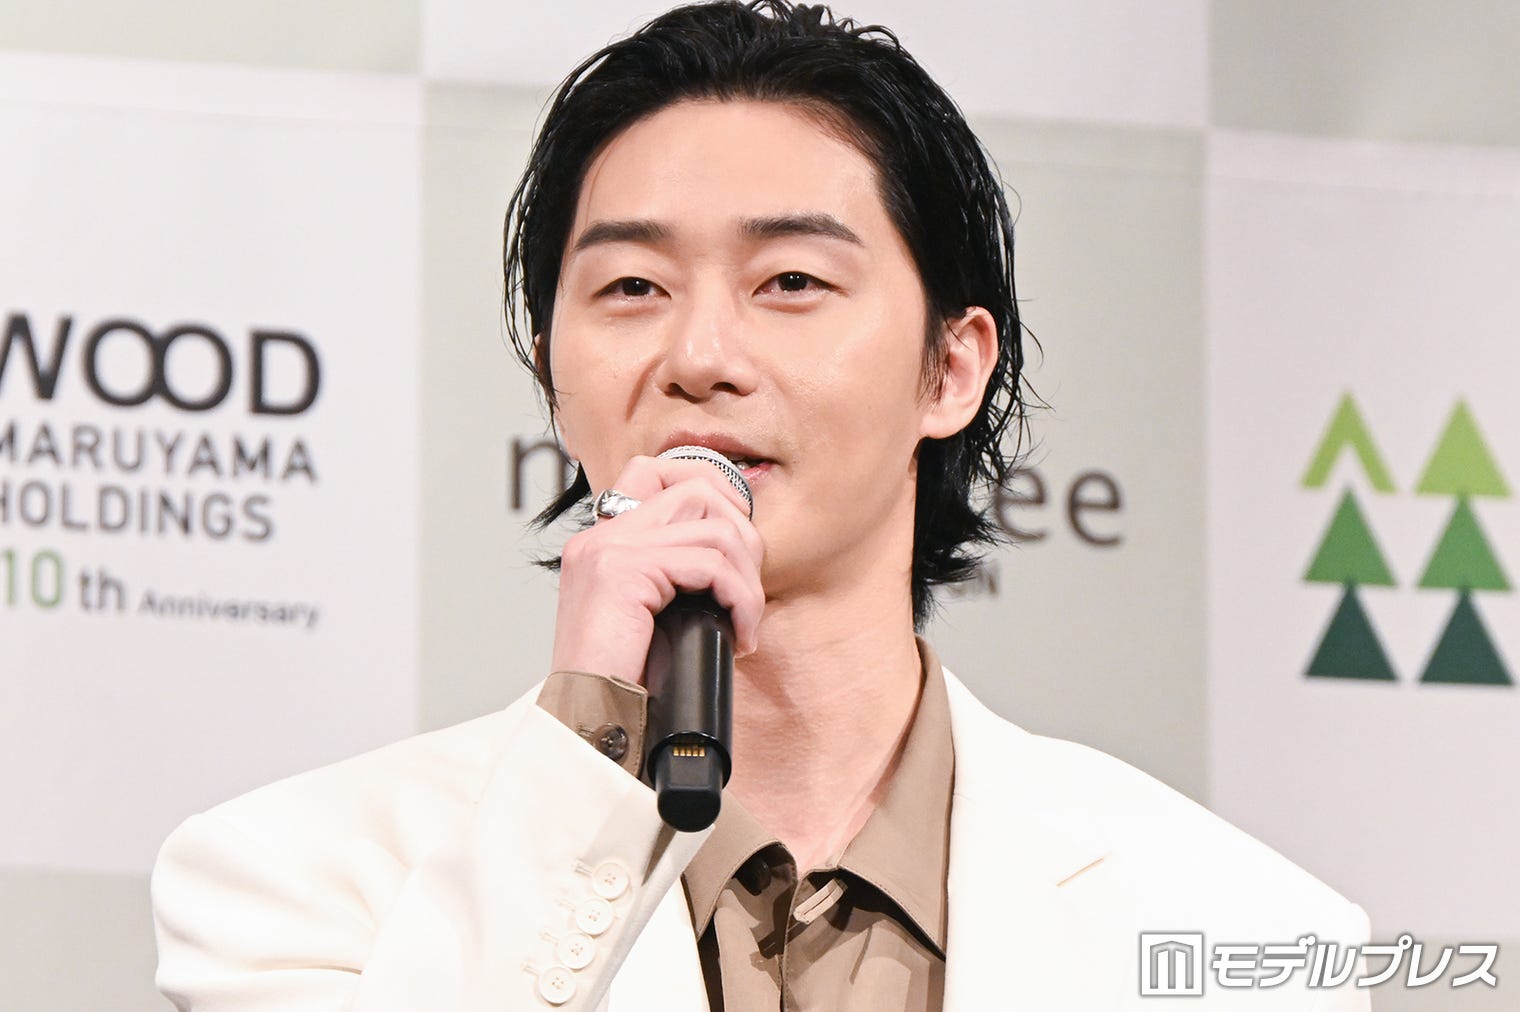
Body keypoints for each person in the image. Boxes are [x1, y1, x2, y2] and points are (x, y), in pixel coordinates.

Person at [151, 2, 1372, 1009]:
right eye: (630, 286)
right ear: (549, 368)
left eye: (790, 280)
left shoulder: (1242, 931)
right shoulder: (291, 881)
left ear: (949, 368)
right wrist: (587, 747)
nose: (699, 356)